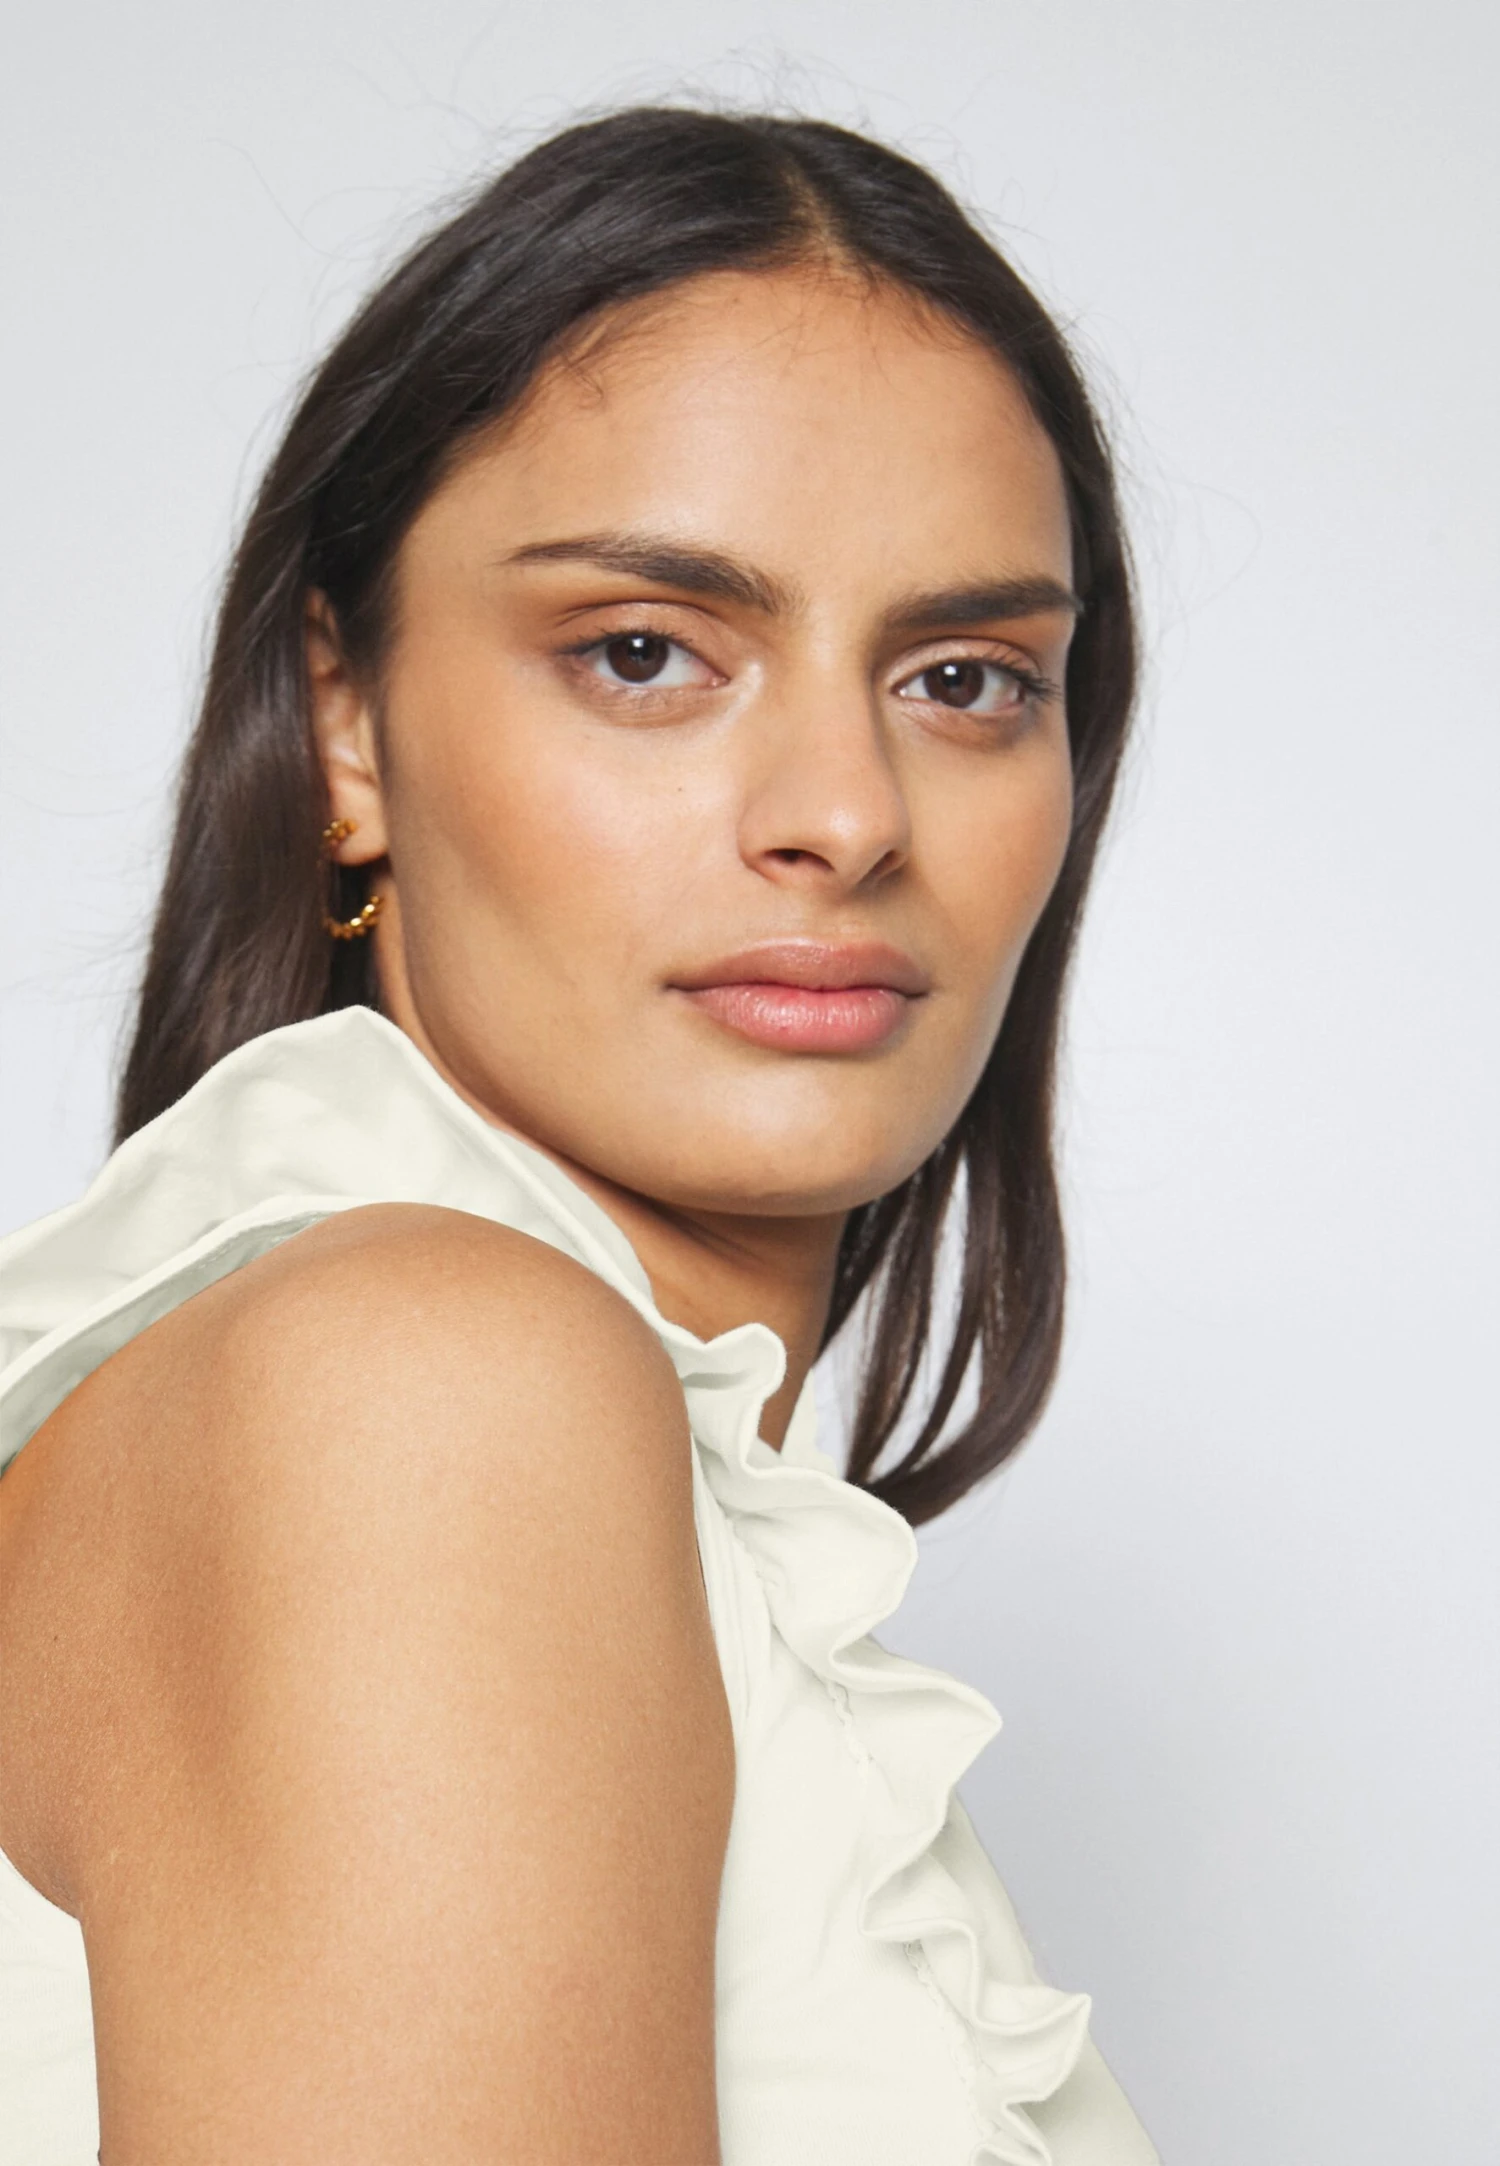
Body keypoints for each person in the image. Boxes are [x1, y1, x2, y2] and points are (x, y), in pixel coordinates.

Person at [0, 106, 1158, 2165]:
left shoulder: (449, 1403)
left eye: (969, 679)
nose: (846, 813)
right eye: (646, 654)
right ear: (345, 722)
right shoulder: (421, 1382)